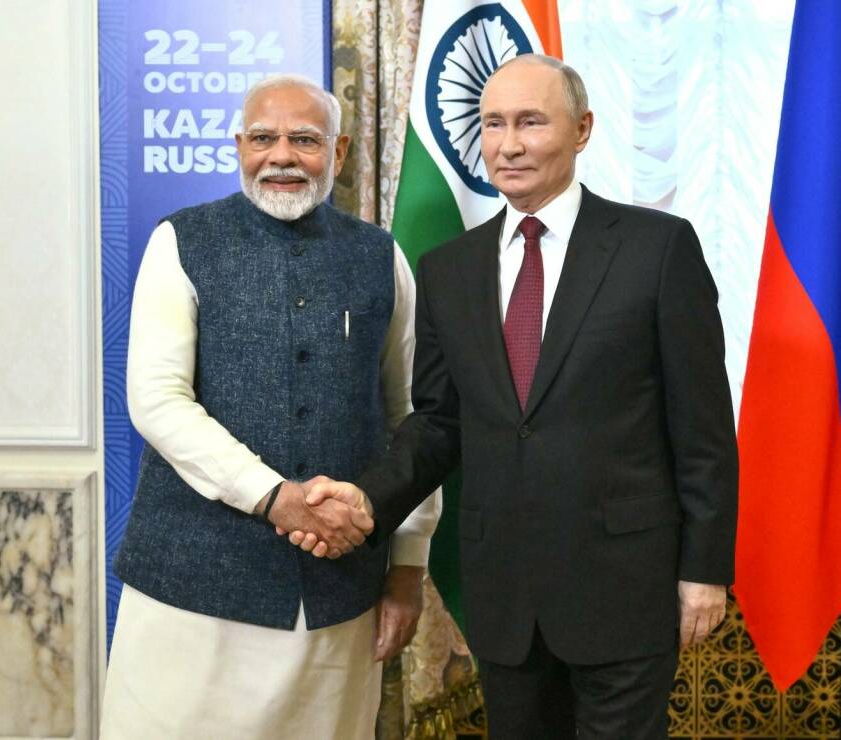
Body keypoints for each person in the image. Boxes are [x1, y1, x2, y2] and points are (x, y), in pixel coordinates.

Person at [299, 54, 738, 739]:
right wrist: (366, 498)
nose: (508, 145)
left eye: (531, 122)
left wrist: (704, 572)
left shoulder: (657, 249)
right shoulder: (449, 269)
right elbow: (439, 423)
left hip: (626, 588)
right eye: (493, 124)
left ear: (582, 129)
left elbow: (703, 428)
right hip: (505, 595)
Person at [99, 74, 440, 739]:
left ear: (339, 152)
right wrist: (271, 496)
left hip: (338, 597)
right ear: (239, 146)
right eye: (263, 138)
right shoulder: (181, 241)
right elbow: (157, 400)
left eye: (304, 140)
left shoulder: (381, 256)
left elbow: (412, 418)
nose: (281, 156)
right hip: (191, 590)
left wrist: (407, 569)